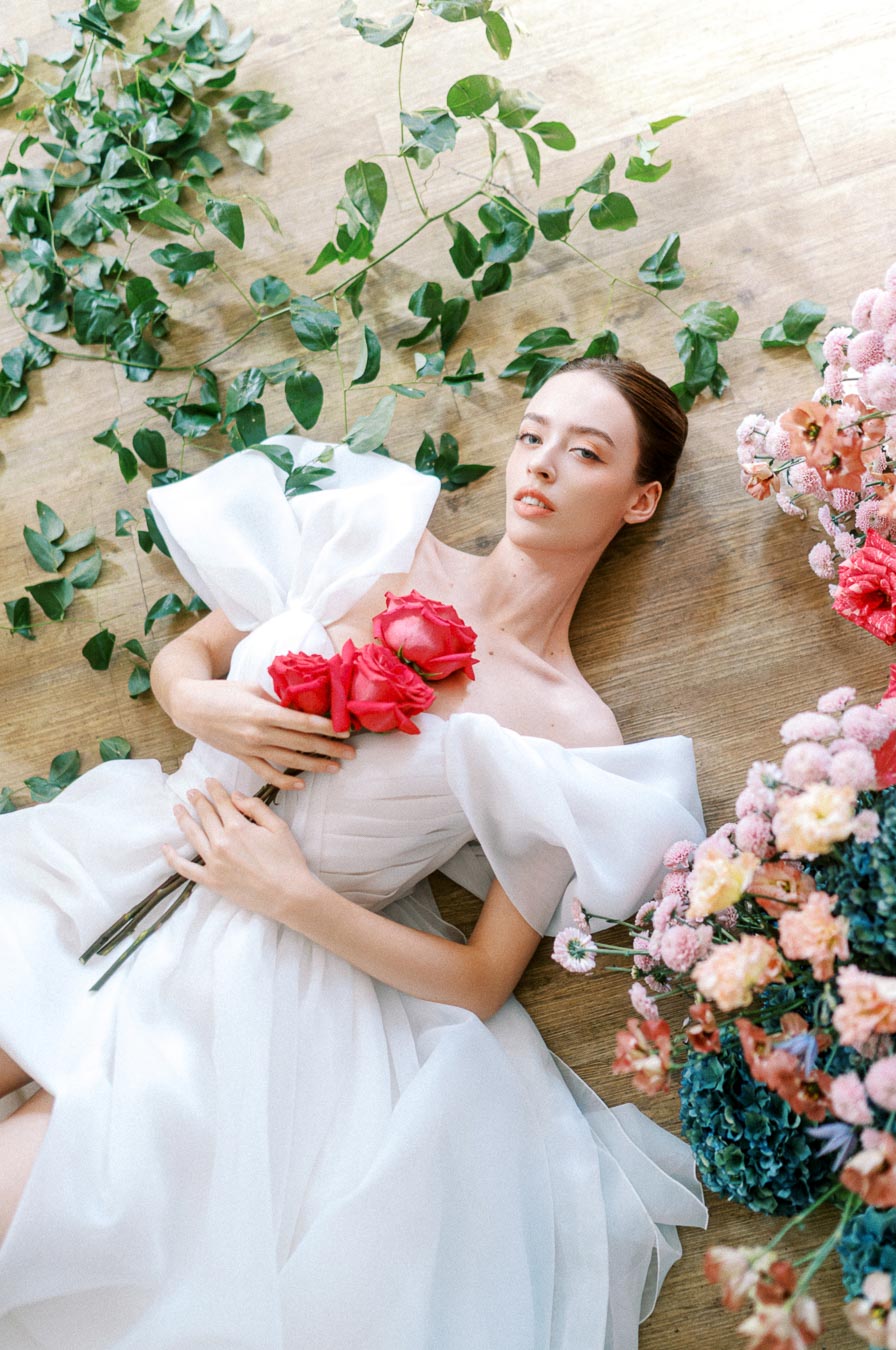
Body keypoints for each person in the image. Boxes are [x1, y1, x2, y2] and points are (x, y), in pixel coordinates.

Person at [0, 355, 709, 1349]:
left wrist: (294, 897)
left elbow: (479, 980)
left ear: (638, 500)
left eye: (584, 452)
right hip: (126, 859)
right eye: (534, 434)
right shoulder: (381, 544)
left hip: (251, 985)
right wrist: (200, 704)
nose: (541, 466)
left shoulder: (575, 735)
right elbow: (187, 656)